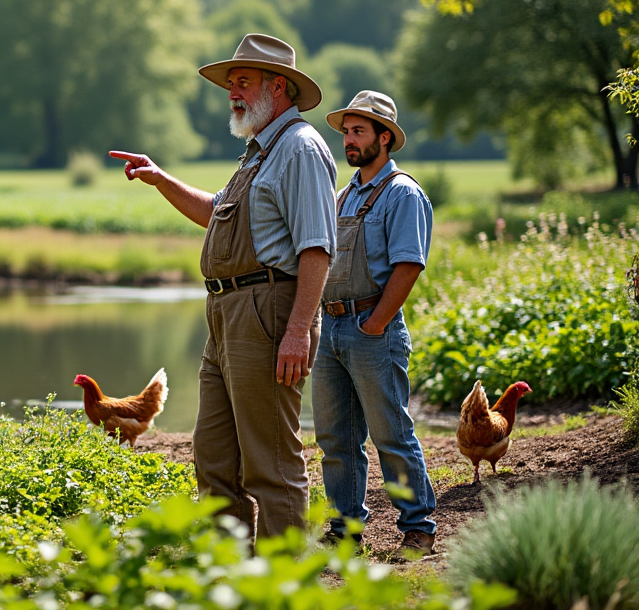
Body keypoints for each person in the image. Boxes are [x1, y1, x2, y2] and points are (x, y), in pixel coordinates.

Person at [111, 33, 336, 542]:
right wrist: (161, 179)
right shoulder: (258, 153)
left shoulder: (300, 148)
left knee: (271, 465)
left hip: (269, 312)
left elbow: (317, 248)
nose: (232, 91)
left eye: (243, 81)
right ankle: (227, 578)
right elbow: (217, 212)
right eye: (230, 83)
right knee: (213, 459)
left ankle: (281, 584)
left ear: (279, 86)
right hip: (227, 315)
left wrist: (298, 328)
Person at [314, 90, 436, 556]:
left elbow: (409, 265)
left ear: (384, 138)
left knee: (390, 434)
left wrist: (375, 323)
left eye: (358, 131)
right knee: (335, 438)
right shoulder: (343, 196)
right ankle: (345, 531)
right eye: (346, 131)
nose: (348, 140)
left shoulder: (403, 193)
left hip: (373, 330)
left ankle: (418, 527)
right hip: (332, 329)